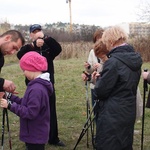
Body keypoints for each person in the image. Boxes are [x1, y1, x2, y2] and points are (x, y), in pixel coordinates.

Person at [93, 26, 142, 150]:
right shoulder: (134, 59)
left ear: (111, 41)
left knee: (110, 144)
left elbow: (101, 91)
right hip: (128, 109)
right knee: (124, 143)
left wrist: (98, 79)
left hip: (112, 114)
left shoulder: (113, 62)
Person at [17, 24, 65, 146]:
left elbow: (58, 49)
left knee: (51, 111)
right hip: (33, 86)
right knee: (34, 112)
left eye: (39, 31)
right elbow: (19, 55)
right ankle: (34, 138)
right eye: (35, 32)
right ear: (31, 34)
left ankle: (53, 138)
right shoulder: (28, 47)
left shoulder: (48, 46)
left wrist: (45, 38)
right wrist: (33, 45)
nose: (37, 33)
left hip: (48, 84)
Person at [0, 51, 53, 150]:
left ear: (32, 68)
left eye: (24, 69)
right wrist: (8, 96)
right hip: (33, 133)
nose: (23, 73)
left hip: (35, 135)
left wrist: (10, 105)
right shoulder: (36, 85)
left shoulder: (37, 89)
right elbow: (25, 103)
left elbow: (30, 112)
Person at [82, 29, 104, 107]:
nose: (98, 43)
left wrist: (101, 66)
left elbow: (110, 67)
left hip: (104, 84)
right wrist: (88, 67)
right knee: (95, 109)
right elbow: (90, 71)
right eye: (96, 41)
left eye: (100, 40)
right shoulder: (92, 52)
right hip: (94, 85)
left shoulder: (108, 51)